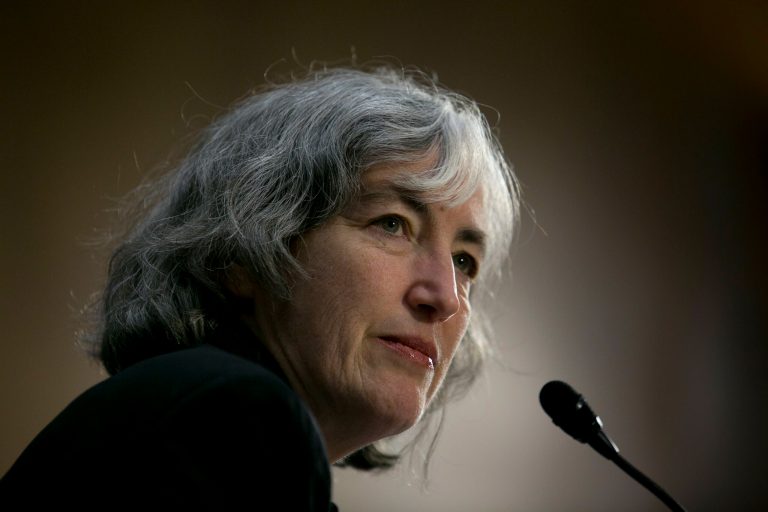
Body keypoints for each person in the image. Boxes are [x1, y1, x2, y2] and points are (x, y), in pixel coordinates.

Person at [1, 65, 519, 510]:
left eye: (463, 260)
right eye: (391, 224)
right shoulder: (233, 417)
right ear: (246, 252)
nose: (445, 296)